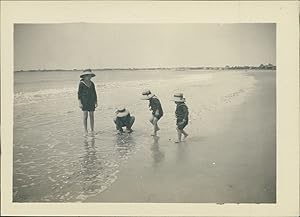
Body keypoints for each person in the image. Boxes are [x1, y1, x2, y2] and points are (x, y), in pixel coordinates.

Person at [78, 69, 98, 136]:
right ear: (84, 76)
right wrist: (80, 103)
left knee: (92, 115)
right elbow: (79, 94)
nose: (89, 77)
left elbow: (94, 93)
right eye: (88, 76)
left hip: (91, 100)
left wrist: (96, 101)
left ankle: (92, 130)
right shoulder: (81, 83)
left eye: (90, 76)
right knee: (85, 116)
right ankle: (85, 130)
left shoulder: (92, 83)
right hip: (84, 101)